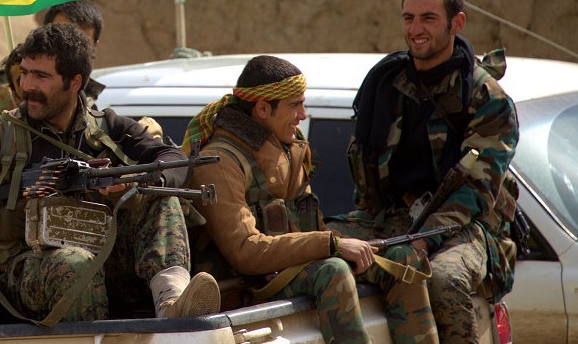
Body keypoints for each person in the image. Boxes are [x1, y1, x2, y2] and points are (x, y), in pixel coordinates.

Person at [0, 22, 220, 322]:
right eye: (25, 73)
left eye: (41, 76)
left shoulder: (107, 128)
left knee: (161, 196)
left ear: (75, 82)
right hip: (28, 266)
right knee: (75, 263)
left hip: (102, 255)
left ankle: (171, 304)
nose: (27, 85)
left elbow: (175, 160)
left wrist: (135, 185)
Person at [182, 55, 437, 344]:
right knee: (333, 271)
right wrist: (332, 245)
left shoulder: (290, 149)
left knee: (402, 258)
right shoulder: (219, 162)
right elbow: (245, 252)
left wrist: (345, 244)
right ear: (262, 108)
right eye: (295, 105)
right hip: (248, 287)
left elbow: (309, 227)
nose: (303, 115)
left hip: (289, 269)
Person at [329, 0, 520, 343]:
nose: (415, 29)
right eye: (408, 18)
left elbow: (477, 191)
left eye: (428, 18)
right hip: (392, 218)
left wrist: (425, 240)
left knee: (443, 280)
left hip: (464, 225)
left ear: (456, 22)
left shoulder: (485, 97)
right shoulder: (386, 84)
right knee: (313, 248)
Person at [0, 0, 105, 117]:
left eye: (81, 43)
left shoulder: (88, 95)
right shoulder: (14, 81)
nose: (68, 49)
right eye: (59, 38)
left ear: (94, 46)